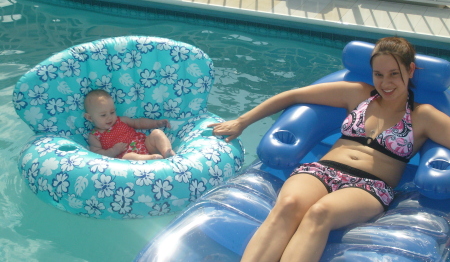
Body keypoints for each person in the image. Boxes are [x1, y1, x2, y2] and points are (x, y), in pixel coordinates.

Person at [208, 37, 450, 262]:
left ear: (410, 71)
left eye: (394, 74)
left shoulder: (423, 115)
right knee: (289, 205)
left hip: (370, 186)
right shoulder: (358, 94)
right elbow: (293, 95)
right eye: (378, 74)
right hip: (322, 170)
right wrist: (242, 121)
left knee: (320, 213)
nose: (385, 83)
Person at [84, 89, 175, 160]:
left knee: (157, 133)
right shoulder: (95, 136)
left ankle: (167, 151)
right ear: (90, 118)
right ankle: (151, 159)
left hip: (145, 145)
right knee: (128, 157)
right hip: (127, 157)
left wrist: (156, 123)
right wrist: (113, 151)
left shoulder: (121, 120)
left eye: (112, 112)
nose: (109, 117)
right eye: (103, 115)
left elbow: (138, 123)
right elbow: (97, 154)